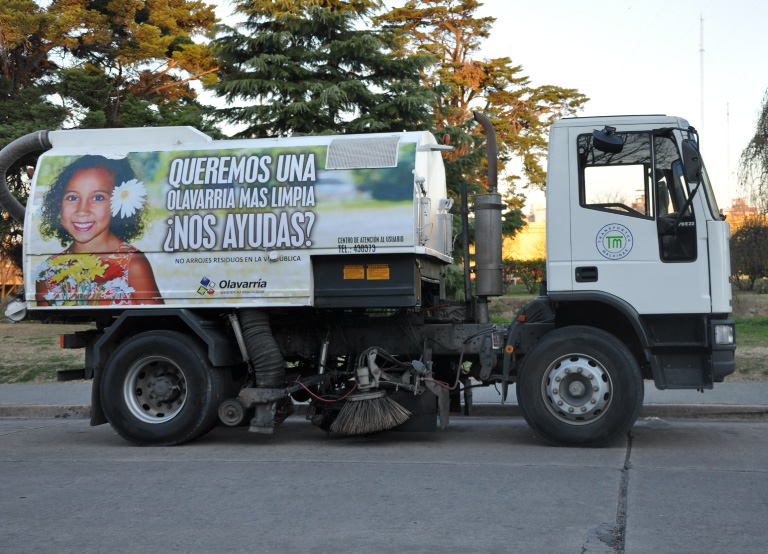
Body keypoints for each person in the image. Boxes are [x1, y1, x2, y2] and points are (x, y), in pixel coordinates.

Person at [35, 155, 163, 306]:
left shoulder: (132, 264)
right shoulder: (49, 271)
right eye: (72, 198)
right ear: (58, 203)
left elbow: (155, 321)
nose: (82, 210)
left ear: (118, 204)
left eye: (97, 198)